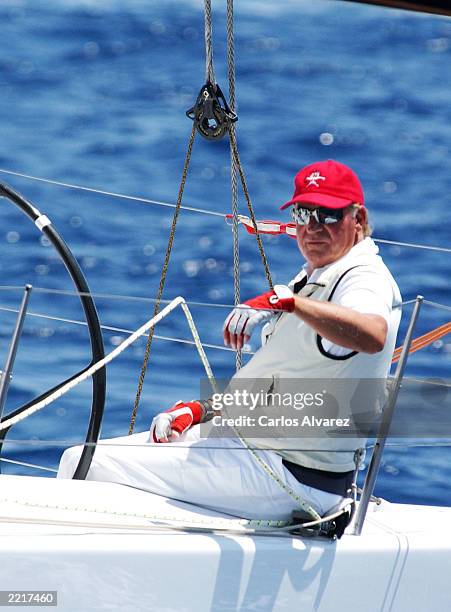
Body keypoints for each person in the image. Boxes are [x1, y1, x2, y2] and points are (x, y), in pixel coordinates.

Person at [58, 160, 401, 523]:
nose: (312, 227)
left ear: (357, 219)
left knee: (86, 464)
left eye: (328, 215)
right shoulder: (317, 275)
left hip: (292, 475)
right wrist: (204, 411)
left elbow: (372, 334)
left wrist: (291, 303)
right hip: (259, 448)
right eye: (303, 213)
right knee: (81, 455)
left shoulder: (363, 278)